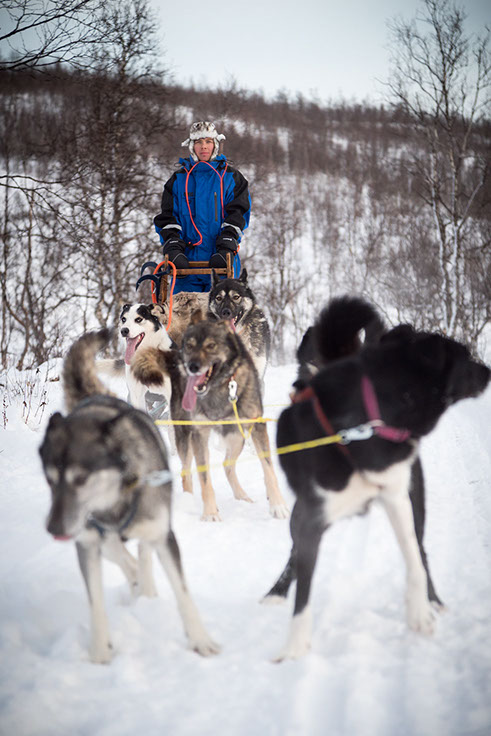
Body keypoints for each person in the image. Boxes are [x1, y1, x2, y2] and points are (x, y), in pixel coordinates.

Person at [154, 121, 251, 293]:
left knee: (221, 318)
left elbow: (238, 213)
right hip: (185, 266)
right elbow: (168, 217)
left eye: (208, 141)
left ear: (215, 144)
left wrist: (227, 244)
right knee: (183, 317)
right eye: (198, 142)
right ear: (191, 146)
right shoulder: (178, 180)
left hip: (221, 262)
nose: (203, 147)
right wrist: (173, 246)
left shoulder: (231, 177)